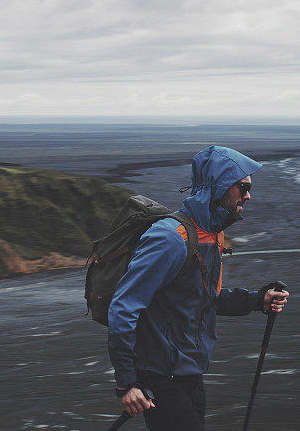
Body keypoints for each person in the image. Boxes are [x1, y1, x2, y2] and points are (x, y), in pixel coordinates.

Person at [107, 145, 289, 430]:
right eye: (242, 187)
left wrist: (257, 301)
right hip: (159, 378)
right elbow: (123, 307)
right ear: (217, 186)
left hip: (190, 373)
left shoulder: (211, 235)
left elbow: (206, 298)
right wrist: (128, 383)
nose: (248, 196)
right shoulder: (170, 239)